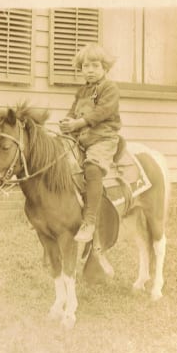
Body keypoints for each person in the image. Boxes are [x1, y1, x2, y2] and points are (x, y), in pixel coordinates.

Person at [59, 43, 122, 243]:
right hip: (82, 137)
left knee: (92, 168)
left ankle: (90, 221)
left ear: (105, 68)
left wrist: (79, 122)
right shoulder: (82, 91)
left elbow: (103, 111)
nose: (90, 70)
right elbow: (73, 111)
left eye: (95, 66)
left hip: (103, 137)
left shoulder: (109, 88)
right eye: (86, 66)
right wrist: (67, 122)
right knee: (58, 160)